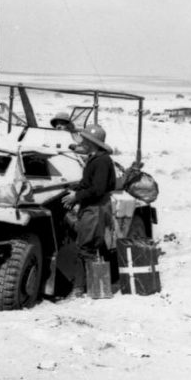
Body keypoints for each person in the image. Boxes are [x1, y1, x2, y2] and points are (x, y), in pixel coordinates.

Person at [62, 123, 116, 296]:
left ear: (91, 142)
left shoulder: (101, 161)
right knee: (92, 245)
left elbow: (98, 189)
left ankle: (80, 289)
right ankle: (95, 285)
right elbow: (90, 183)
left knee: (86, 248)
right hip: (94, 207)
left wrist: (76, 197)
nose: (81, 142)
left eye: (84, 139)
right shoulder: (96, 158)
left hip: (95, 208)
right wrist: (76, 186)